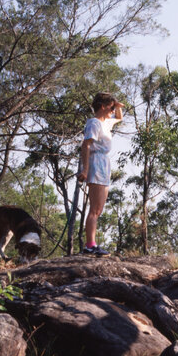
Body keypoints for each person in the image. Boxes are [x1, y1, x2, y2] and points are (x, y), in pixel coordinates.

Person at [78, 92, 124, 256]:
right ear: (103, 106)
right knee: (94, 209)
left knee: (99, 209)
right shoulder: (94, 123)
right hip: (96, 163)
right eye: (111, 107)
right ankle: (90, 245)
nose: (113, 110)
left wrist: (117, 106)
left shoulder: (106, 123)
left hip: (104, 163)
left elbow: (119, 118)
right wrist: (85, 169)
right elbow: (86, 145)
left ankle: (92, 244)